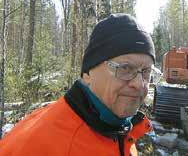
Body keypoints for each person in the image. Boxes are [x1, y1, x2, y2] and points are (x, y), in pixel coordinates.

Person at [0, 13, 156, 156]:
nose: (139, 84)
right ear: (88, 73)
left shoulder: (121, 129)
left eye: (146, 71)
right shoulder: (38, 145)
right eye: (125, 68)